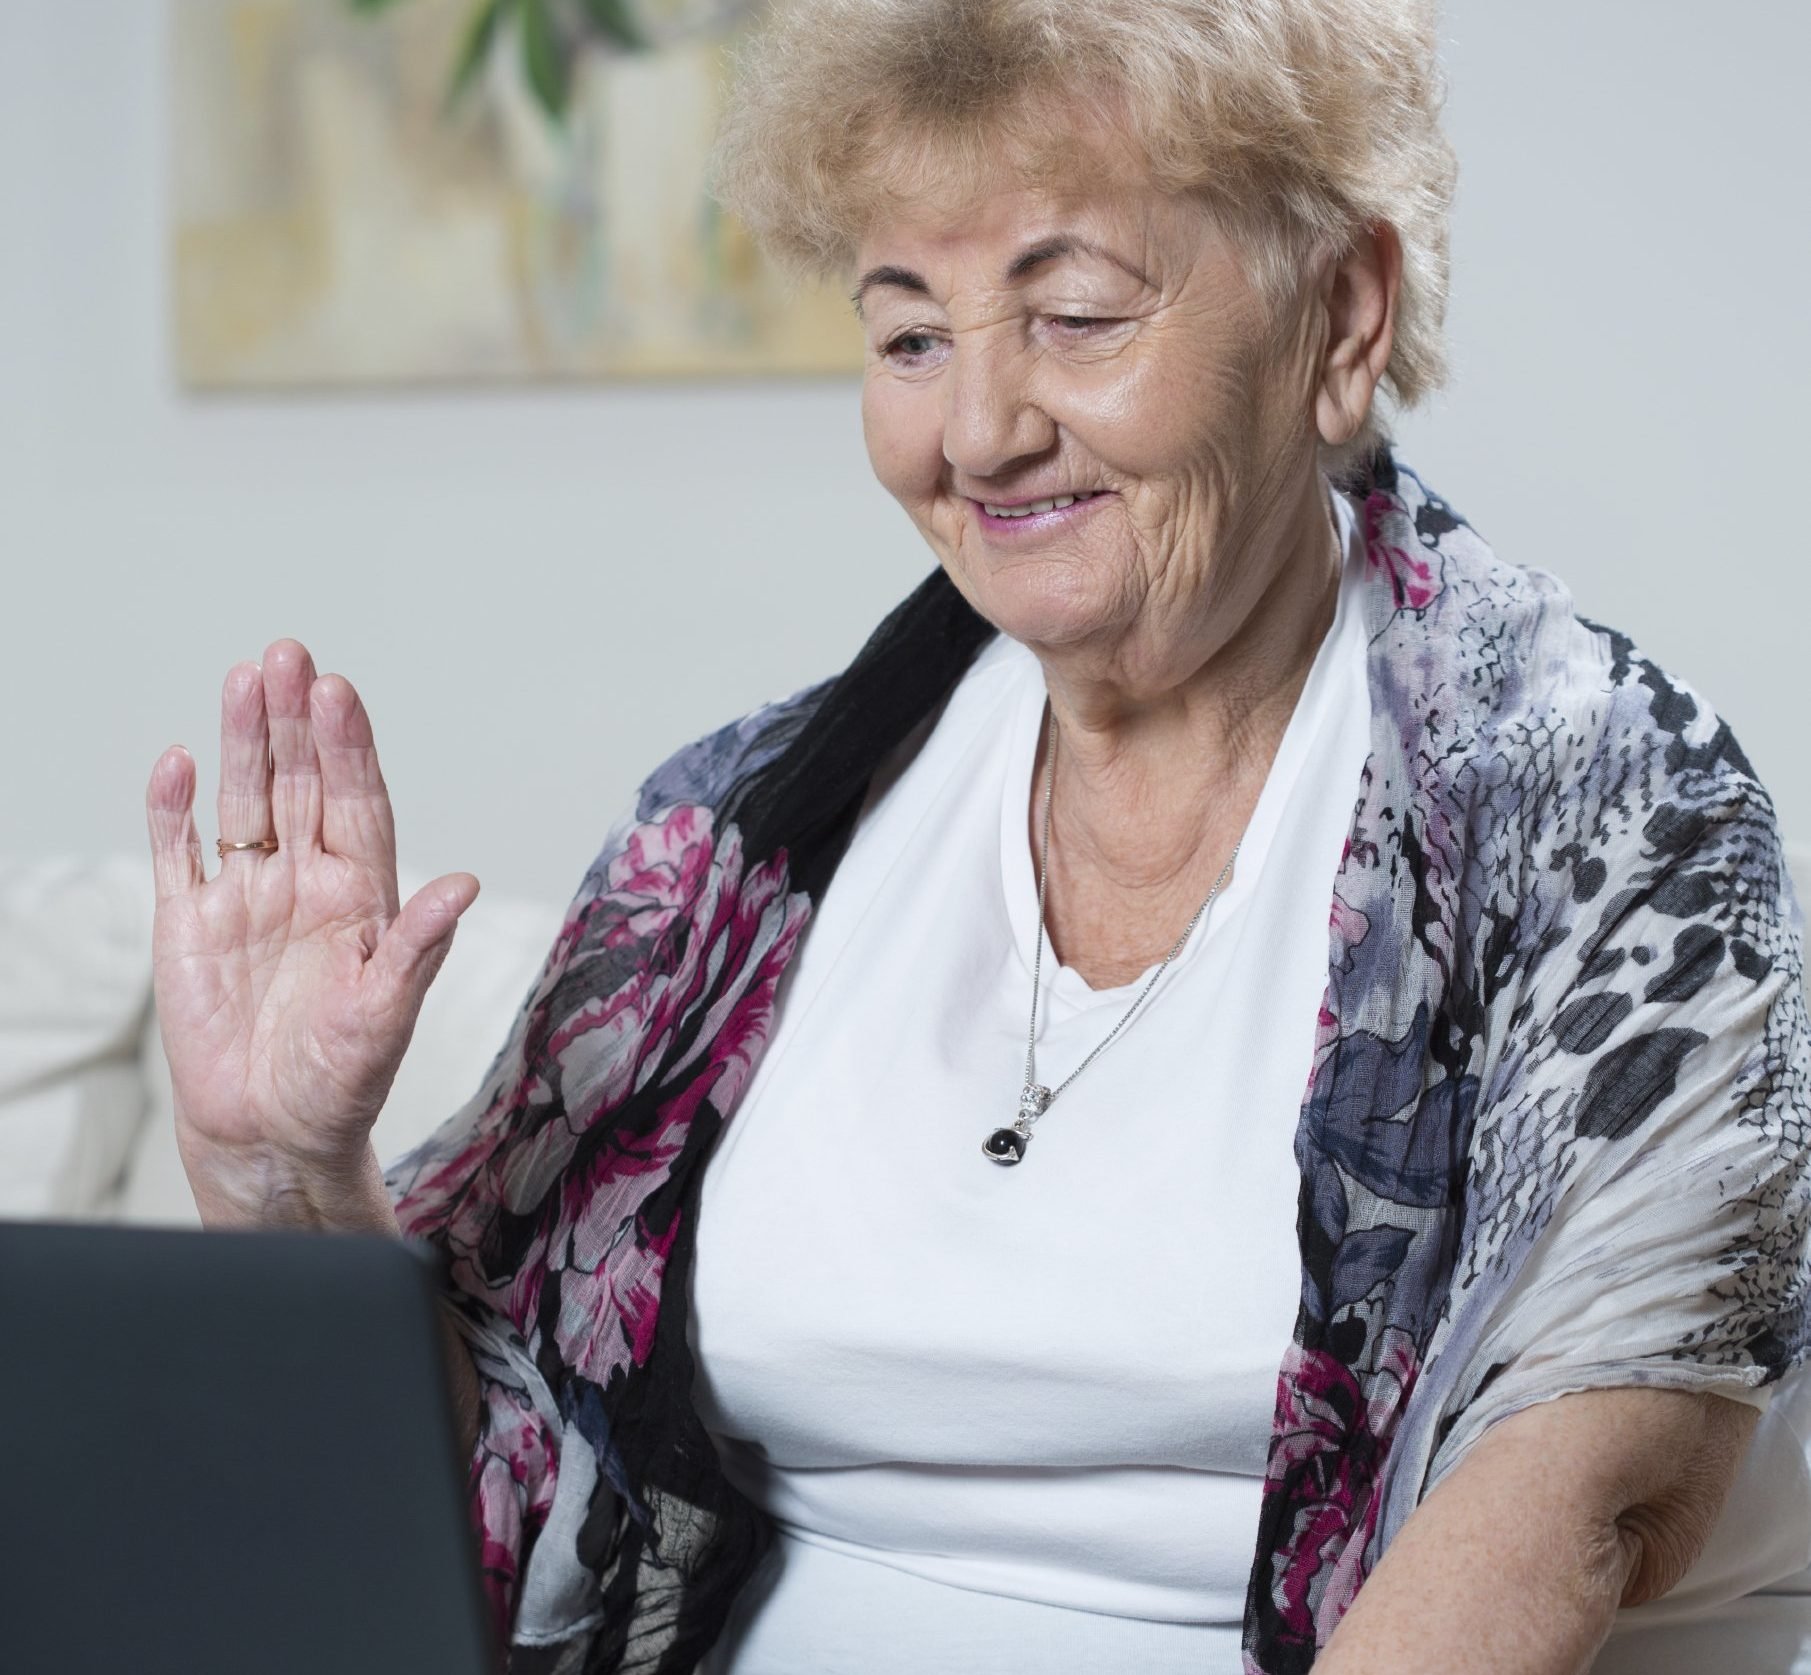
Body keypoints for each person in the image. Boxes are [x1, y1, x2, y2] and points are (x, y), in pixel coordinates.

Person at [142, 1, 1811, 1671]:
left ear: (1343, 318)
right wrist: (280, 1171)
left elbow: (1581, 1492)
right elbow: (504, 1507)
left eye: (1076, 314)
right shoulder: (744, 838)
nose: (980, 431)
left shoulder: (1607, 814)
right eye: (910, 337)